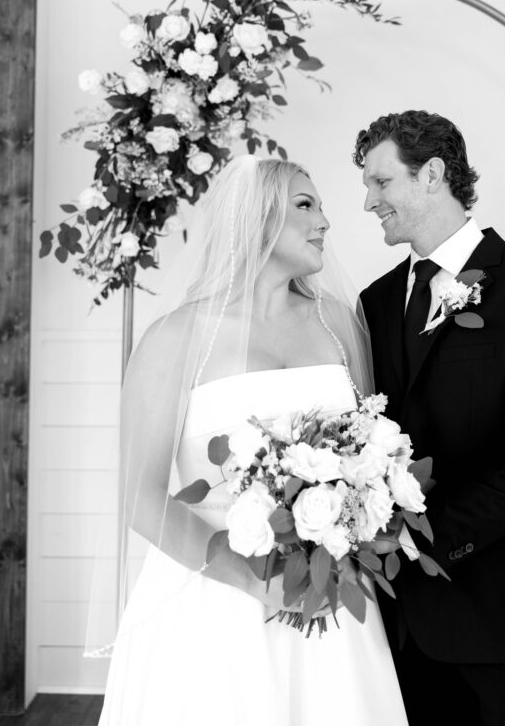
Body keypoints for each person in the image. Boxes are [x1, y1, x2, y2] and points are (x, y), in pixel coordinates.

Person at [95, 155, 409, 726]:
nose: (325, 223)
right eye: (306, 206)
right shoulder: (176, 337)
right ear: (258, 220)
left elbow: (372, 454)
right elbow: (139, 497)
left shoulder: (341, 325)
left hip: (328, 597)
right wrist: (254, 582)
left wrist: (345, 542)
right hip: (211, 598)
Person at [354, 110, 505, 726]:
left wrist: (411, 537)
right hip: (405, 628)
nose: (368, 201)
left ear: (431, 174)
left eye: (380, 182)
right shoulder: (375, 303)